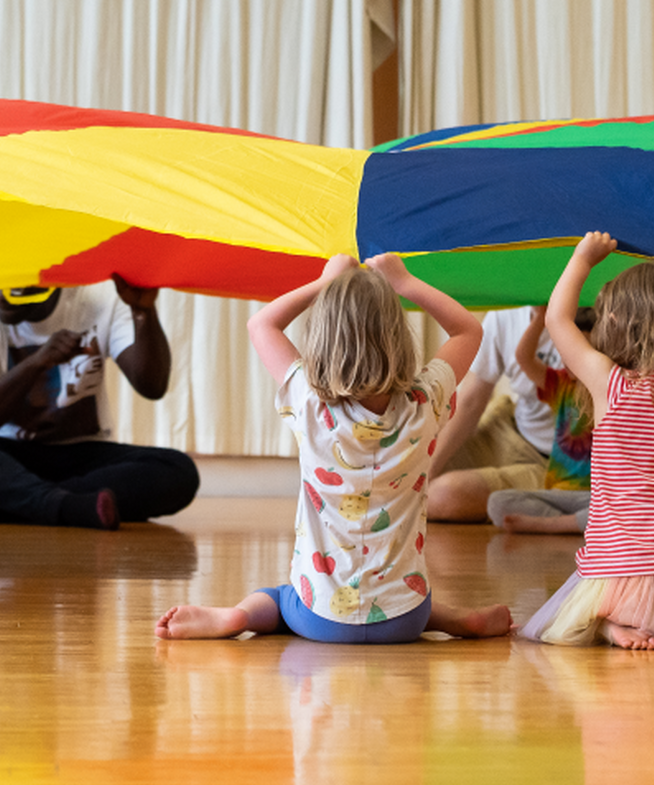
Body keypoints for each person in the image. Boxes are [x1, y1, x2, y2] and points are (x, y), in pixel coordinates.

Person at [155, 253, 512, 644]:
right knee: (398, 598)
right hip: (405, 619)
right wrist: (404, 281)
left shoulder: (309, 402)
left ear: (322, 339)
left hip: (319, 618)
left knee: (279, 598)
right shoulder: (423, 403)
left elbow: (262, 323)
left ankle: (239, 616)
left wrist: (324, 282)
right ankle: (454, 620)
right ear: (397, 336)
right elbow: (467, 331)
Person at [520, 231, 654, 649]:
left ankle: (606, 624)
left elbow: (557, 320)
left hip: (616, 573)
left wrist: (583, 258)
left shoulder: (611, 383)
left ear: (614, 321)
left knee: (573, 618)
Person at [0, 277, 199, 531]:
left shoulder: (97, 299)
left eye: (16, 289)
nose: (4, 298)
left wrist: (143, 312)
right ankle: (67, 506)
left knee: (178, 471)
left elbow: (153, 386)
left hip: (83, 457)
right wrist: (37, 362)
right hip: (9, 455)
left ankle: (29, 502)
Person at [427, 307, 561, 523]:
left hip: (564, 465)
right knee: (399, 471)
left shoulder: (595, 320)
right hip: (513, 432)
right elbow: (471, 402)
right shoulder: (506, 315)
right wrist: (427, 468)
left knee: (441, 495)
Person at [487, 306, 593, 535]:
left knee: (632, 511)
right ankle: (575, 525)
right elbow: (523, 358)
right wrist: (541, 319)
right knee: (497, 503)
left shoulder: (608, 387)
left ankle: (555, 525)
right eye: (567, 349)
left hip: (595, 496)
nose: (570, 358)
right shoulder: (561, 385)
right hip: (557, 494)